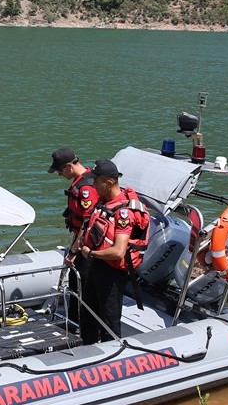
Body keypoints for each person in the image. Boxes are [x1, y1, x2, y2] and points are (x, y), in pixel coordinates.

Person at [76, 159, 151, 345]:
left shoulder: (123, 212)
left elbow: (118, 251)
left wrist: (91, 254)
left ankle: (112, 356)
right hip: (97, 266)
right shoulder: (104, 201)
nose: (93, 185)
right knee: (88, 313)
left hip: (112, 271)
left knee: (109, 320)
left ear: (109, 183)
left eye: (96, 181)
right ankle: (87, 350)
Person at [48, 148, 96, 322]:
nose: (59, 175)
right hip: (80, 242)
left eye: (60, 170)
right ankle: (74, 321)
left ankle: (82, 324)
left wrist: (73, 252)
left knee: (81, 283)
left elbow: (88, 222)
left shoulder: (86, 188)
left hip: (86, 246)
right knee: (75, 281)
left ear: (69, 166)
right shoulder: (84, 180)